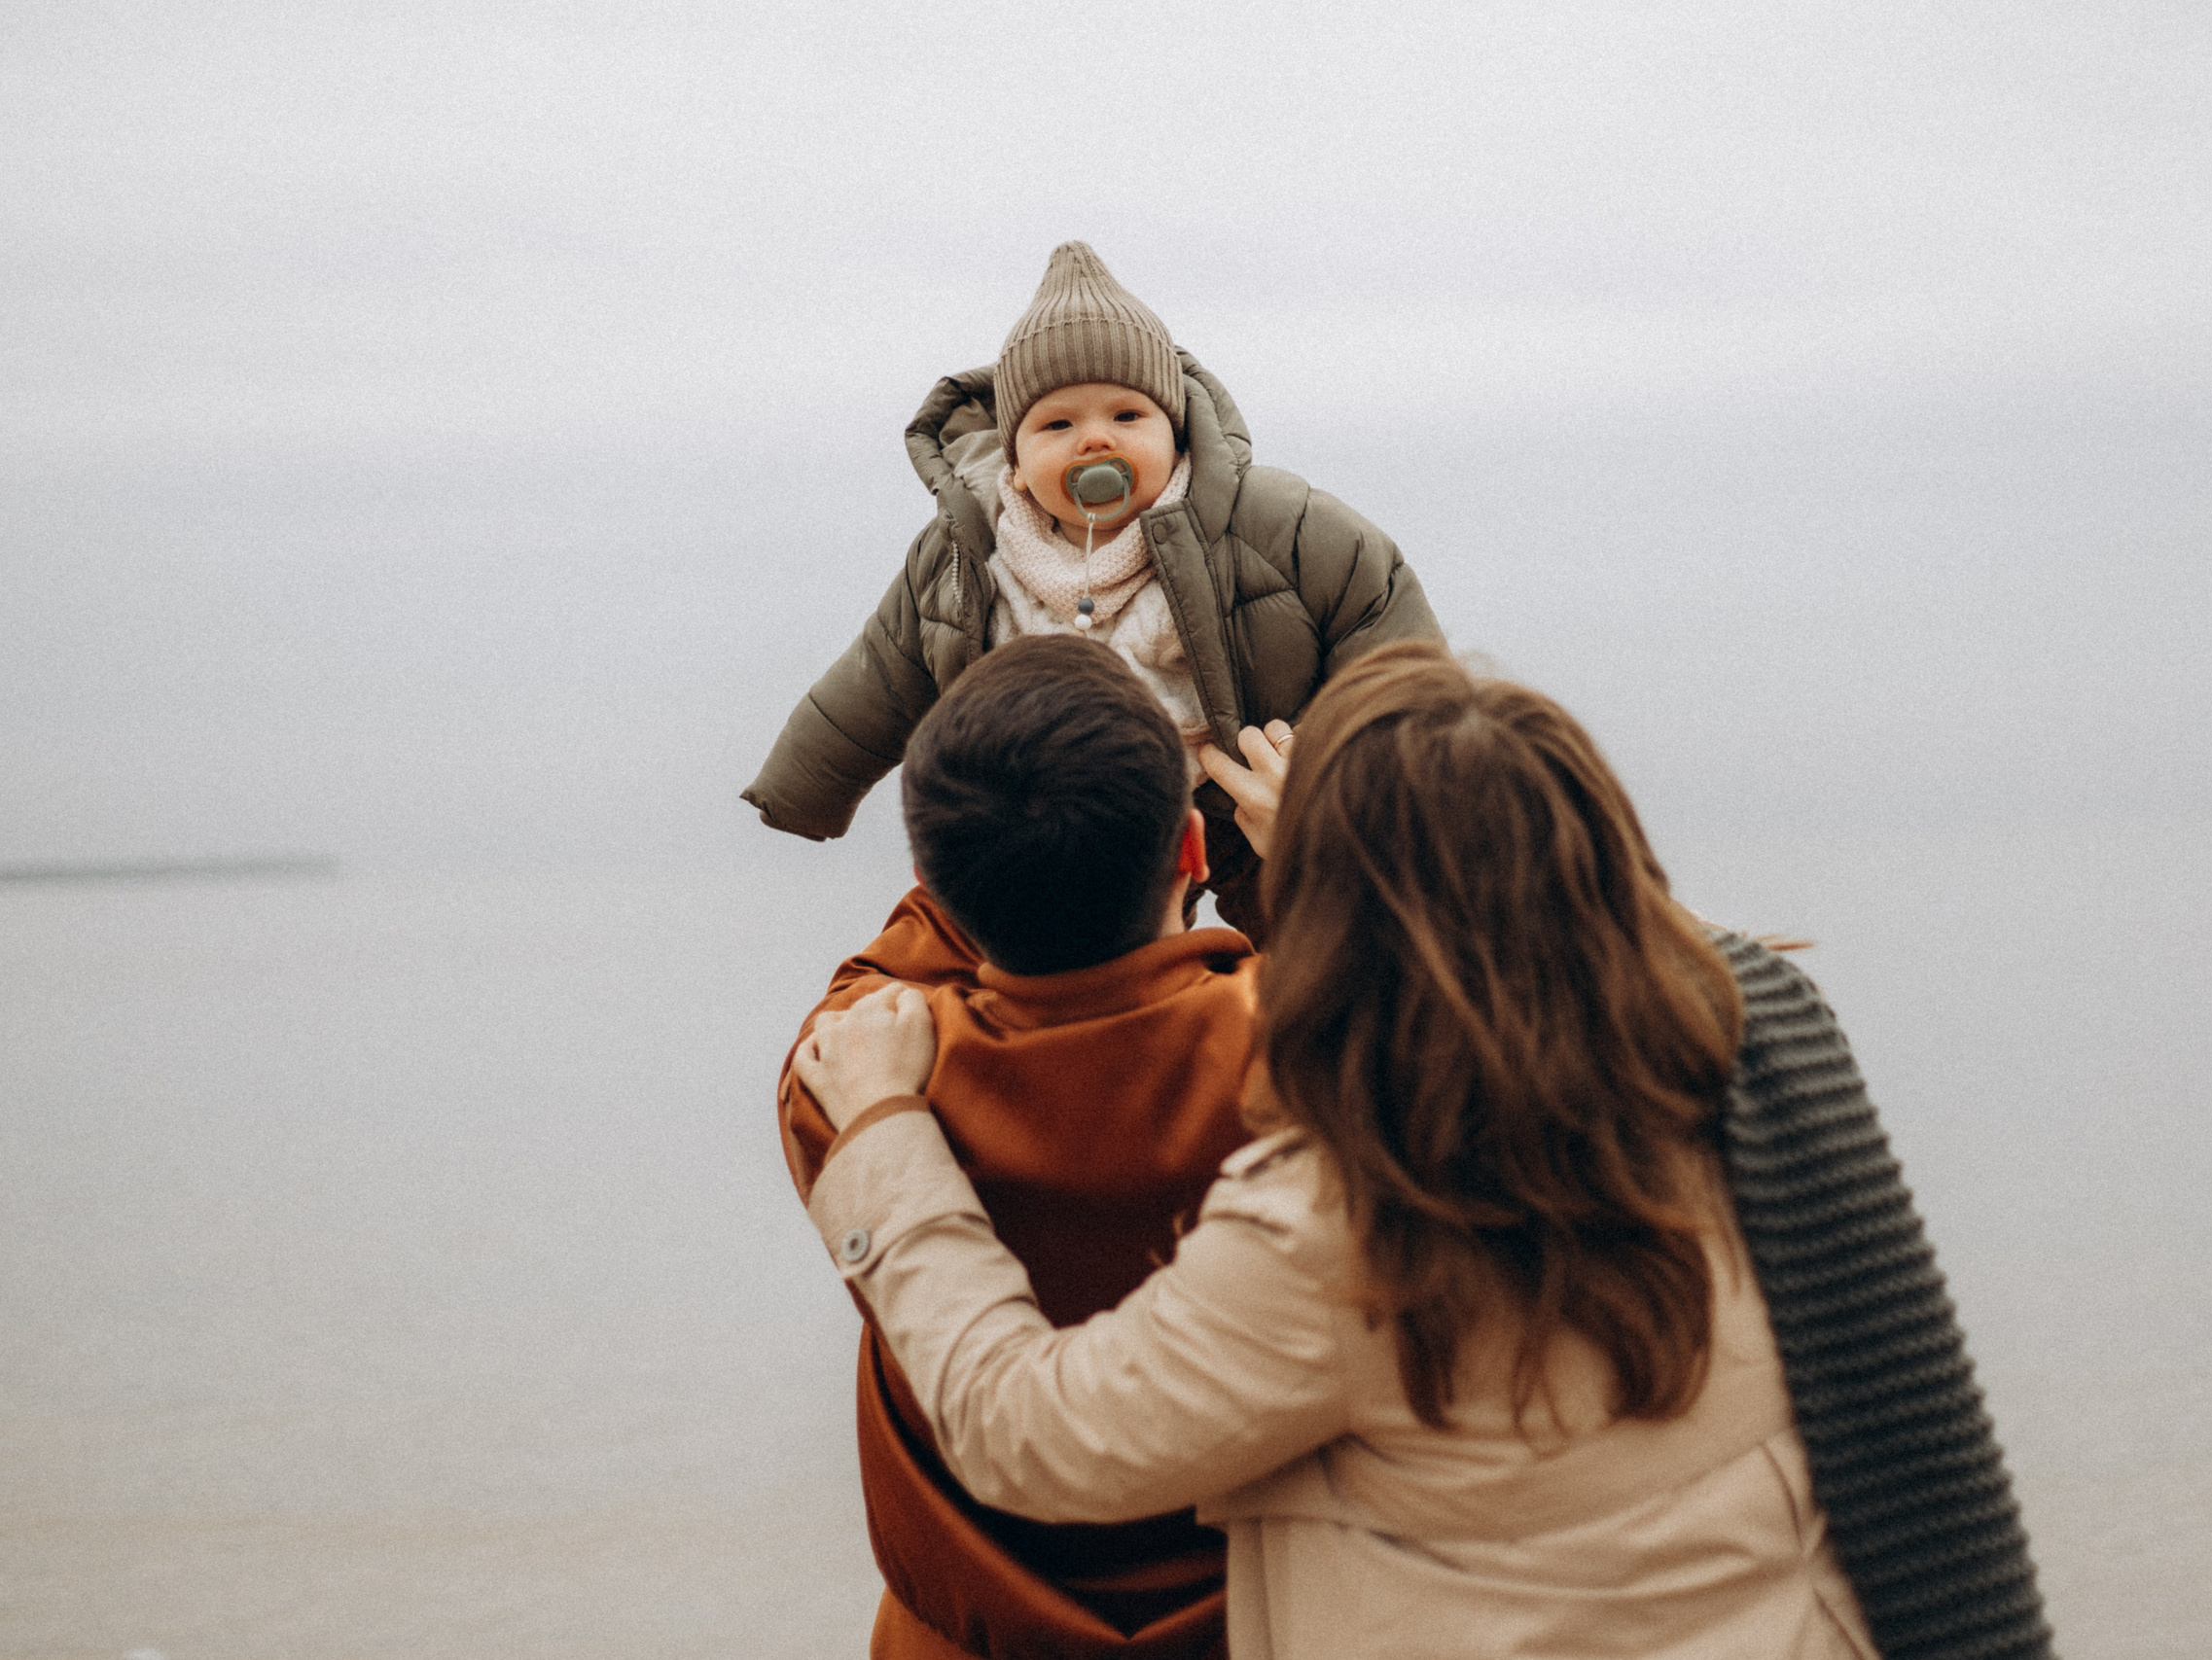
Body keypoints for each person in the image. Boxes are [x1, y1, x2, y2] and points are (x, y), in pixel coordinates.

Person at [798, 643, 2055, 1660]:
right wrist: (1367, 840)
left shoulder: (1347, 1218)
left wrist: (887, 1135)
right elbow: (1597, 915)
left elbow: (1032, 1432)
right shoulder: (1719, 1051)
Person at [778, 635, 1306, 1659]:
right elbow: (1419, 998)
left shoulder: (853, 1083)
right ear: (1194, 854)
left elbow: (903, 951)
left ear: (933, 878)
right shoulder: (1318, 1065)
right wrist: (1314, 862)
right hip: (1259, 1630)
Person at [741, 239, 1441, 939]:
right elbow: (883, 671)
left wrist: (1376, 771)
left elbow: (1377, 614)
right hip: (1080, 813)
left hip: (1237, 789)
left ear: (1178, 433)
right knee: (1077, 945)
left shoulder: (1273, 521)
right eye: (1058, 424)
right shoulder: (970, 553)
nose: (1096, 440)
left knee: (1307, 940)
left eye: (1128, 416)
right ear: (1015, 463)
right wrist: (802, 789)